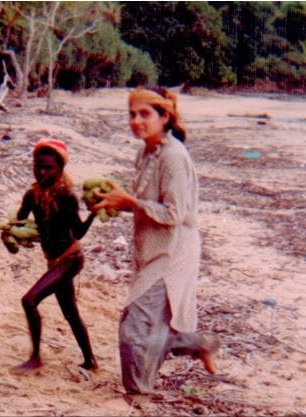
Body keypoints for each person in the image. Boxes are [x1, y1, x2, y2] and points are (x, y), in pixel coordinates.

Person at [92, 87, 220, 394]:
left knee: (134, 327)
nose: (136, 121)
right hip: (152, 247)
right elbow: (147, 201)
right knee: (148, 323)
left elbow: (175, 213)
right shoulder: (147, 151)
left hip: (173, 250)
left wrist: (131, 203)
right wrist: (119, 202)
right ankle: (202, 343)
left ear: (165, 117)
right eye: (132, 114)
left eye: (145, 114)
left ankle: (138, 395)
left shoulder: (174, 157)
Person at [7, 137, 98, 374]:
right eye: (38, 166)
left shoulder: (66, 197)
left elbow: (78, 232)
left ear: (60, 170)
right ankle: (90, 361)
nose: (42, 172)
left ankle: (35, 358)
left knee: (29, 301)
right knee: (70, 313)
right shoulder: (31, 195)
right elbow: (21, 223)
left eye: (48, 168)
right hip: (53, 261)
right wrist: (11, 234)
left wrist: (93, 214)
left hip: (70, 259)